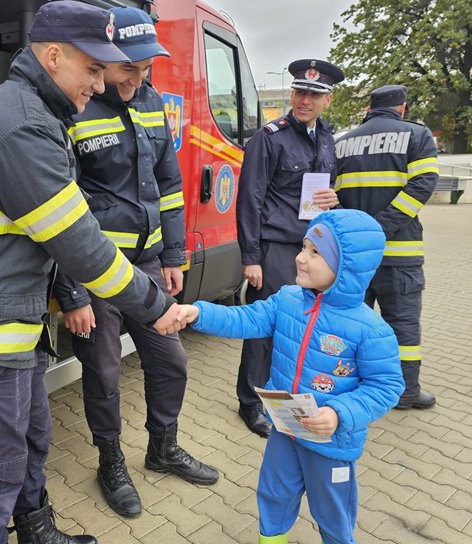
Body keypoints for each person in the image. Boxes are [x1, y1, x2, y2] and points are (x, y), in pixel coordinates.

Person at [0, 2, 189, 543]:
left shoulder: (31, 112)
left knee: (31, 442)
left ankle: (39, 533)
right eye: (92, 69)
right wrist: (158, 307)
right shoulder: (22, 127)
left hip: (8, 325)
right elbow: (83, 250)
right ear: (52, 56)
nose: (99, 83)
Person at [55, 6, 218, 519]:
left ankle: (162, 448)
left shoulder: (150, 104)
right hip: (97, 272)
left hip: (146, 267)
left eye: (146, 69)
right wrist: (73, 293)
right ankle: (110, 460)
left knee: (171, 361)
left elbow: (169, 184)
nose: (137, 79)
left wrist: (172, 254)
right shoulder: (74, 108)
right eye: (130, 68)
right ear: (104, 60)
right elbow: (56, 208)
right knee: (102, 372)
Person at [177, 209, 405, 544]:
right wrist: (199, 312)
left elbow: (387, 386)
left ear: (349, 268)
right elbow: (246, 319)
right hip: (287, 428)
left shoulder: (371, 330)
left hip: (332, 443)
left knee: (333, 513)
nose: (300, 258)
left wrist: (339, 413)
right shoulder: (287, 300)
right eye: (304, 247)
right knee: (273, 495)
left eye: (316, 253)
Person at [235, 59, 344, 437]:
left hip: (313, 247)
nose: (304, 100)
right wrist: (251, 258)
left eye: (314, 94)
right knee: (266, 328)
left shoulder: (328, 137)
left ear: (327, 100)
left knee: (303, 327)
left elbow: (325, 189)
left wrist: (333, 198)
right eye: (300, 92)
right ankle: (251, 403)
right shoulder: (270, 137)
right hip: (276, 248)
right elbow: (249, 199)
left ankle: (290, 394)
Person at [335, 84, 439, 409]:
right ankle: (405, 393)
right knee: (402, 326)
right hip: (400, 256)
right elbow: (423, 184)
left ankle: (348, 386)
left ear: (369, 108)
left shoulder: (342, 144)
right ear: (402, 108)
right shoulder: (418, 136)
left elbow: (328, 195)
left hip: (353, 255)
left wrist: (359, 232)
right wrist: (382, 226)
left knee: (351, 324)